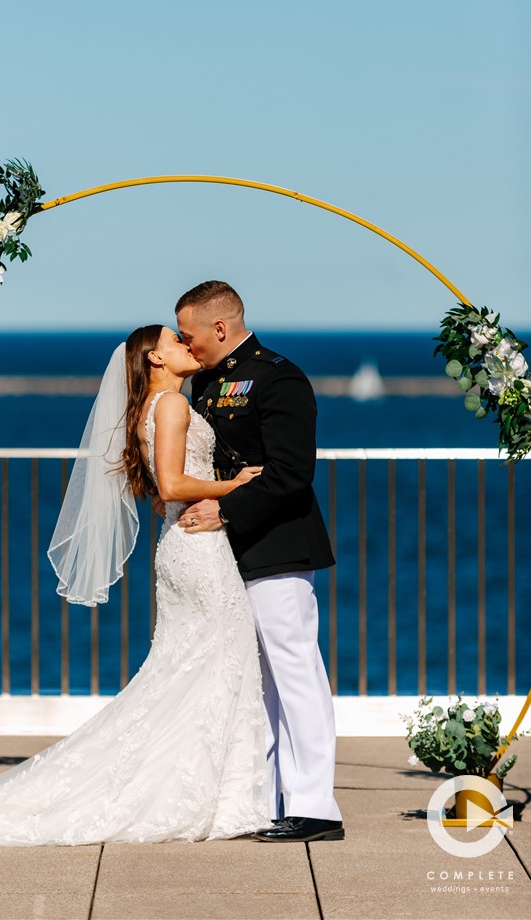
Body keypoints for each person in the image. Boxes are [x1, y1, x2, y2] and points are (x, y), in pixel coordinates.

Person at [0, 326, 270, 845]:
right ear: (154, 357)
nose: (189, 347)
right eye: (177, 341)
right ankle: (219, 796)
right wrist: (234, 487)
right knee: (217, 659)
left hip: (181, 546)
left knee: (193, 668)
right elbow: (170, 485)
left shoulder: (154, 407)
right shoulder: (169, 406)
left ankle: (217, 793)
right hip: (198, 551)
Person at [175, 281, 344, 843]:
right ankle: (269, 798)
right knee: (257, 681)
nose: (185, 343)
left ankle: (316, 805)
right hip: (225, 553)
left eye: (190, 334)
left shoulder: (279, 377)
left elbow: (293, 473)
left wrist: (223, 513)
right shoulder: (204, 381)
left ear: (219, 328)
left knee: (294, 670)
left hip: (277, 544)